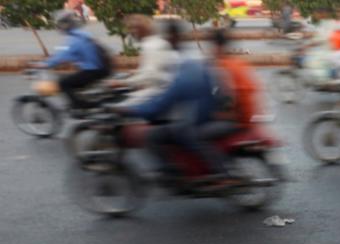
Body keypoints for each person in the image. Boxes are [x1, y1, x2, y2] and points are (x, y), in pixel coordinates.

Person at [116, 51, 227, 183]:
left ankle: (171, 172)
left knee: (153, 135)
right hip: (206, 116)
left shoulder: (180, 81)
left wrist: (131, 110)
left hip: (192, 123)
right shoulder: (200, 70)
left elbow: (157, 106)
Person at [40, 10, 111, 110]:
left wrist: (43, 64)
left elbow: (62, 55)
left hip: (93, 70)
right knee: (68, 78)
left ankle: (80, 105)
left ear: (65, 24)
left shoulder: (74, 39)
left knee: (63, 83)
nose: (59, 27)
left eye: (60, 24)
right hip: (102, 67)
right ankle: (81, 99)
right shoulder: (83, 34)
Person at [113, 15, 179, 105]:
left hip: (162, 91)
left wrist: (122, 83)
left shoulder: (151, 46)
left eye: (133, 29)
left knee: (120, 106)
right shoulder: (156, 42)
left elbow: (149, 74)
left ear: (142, 29)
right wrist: (135, 72)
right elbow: (153, 68)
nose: (131, 32)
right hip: (163, 87)